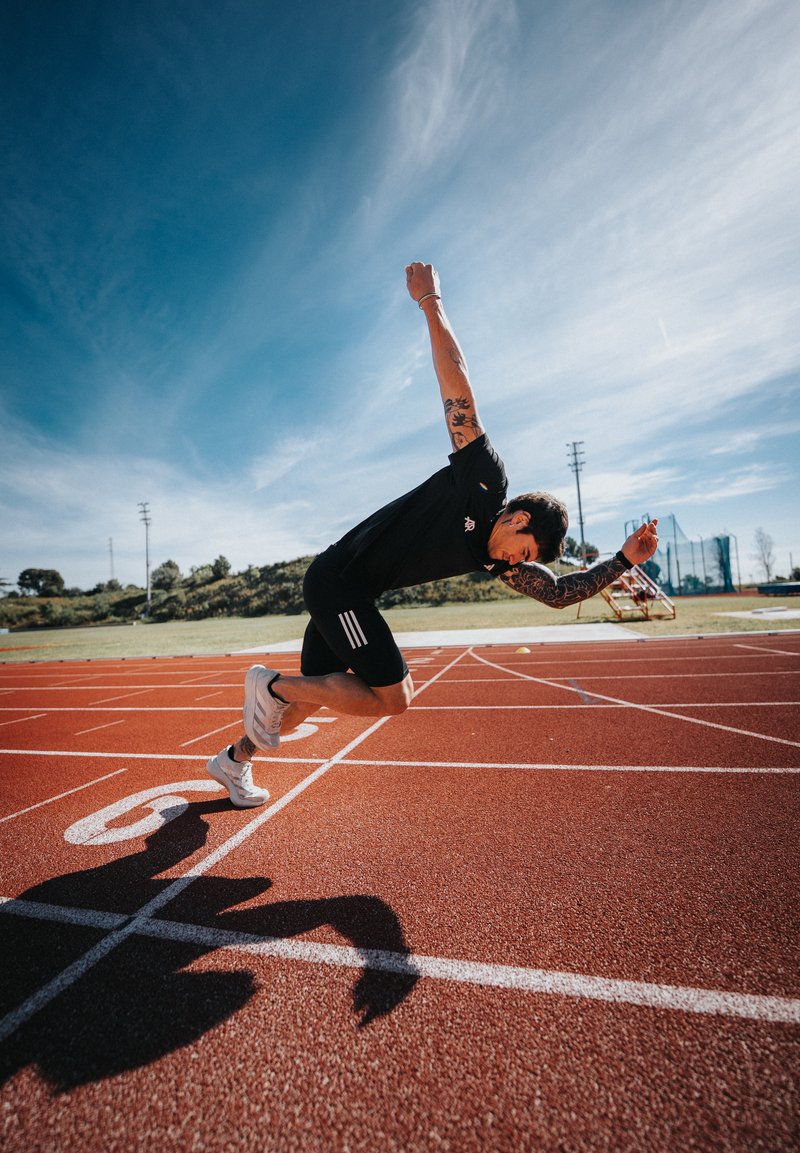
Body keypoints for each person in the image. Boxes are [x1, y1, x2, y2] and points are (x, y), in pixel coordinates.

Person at [207, 263, 659, 807]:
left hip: (350, 592)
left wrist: (625, 560)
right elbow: (458, 387)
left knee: (315, 695)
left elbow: (560, 593)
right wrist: (430, 301)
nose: (522, 561)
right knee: (393, 697)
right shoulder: (484, 482)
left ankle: (232, 762)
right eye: (528, 550)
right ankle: (268, 685)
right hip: (339, 581)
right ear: (517, 520)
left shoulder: (500, 563)